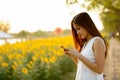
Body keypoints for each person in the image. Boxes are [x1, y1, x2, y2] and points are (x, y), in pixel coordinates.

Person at [63, 12, 108, 80]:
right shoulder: (85, 43)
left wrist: (79, 55)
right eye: (76, 30)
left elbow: (99, 69)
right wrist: (73, 56)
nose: (77, 33)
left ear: (86, 25)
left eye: (78, 29)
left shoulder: (97, 41)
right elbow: (83, 66)